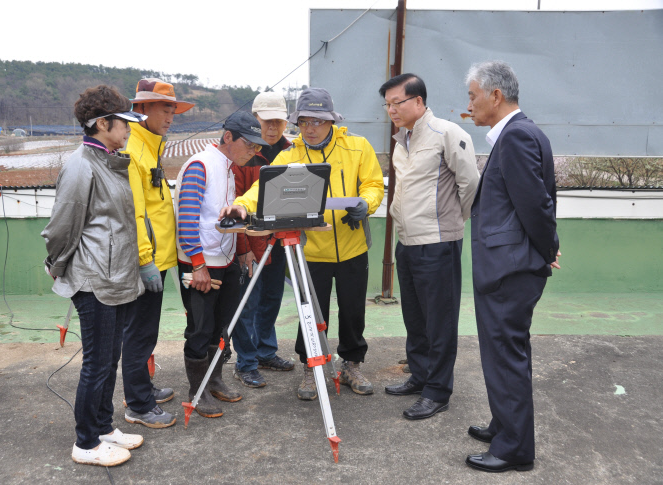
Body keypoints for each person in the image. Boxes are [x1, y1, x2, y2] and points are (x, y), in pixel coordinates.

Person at [220, 88, 385, 401]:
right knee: (310, 311)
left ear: (331, 121)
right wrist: (242, 205)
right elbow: (262, 188)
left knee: (352, 311)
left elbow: (374, 184)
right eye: (304, 121)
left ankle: (351, 364)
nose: (310, 128)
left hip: (353, 246)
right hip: (309, 250)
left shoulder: (358, 147)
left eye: (318, 121)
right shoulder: (290, 154)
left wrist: (367, 203)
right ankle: (312, 367)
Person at [42, 85, 147, 466]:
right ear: (102, 123)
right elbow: (62, 226)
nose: (130, 129)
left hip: (116, 276)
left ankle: (103, 426)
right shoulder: (81, 165)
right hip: (94, 280)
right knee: (97, 364)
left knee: (110, 358)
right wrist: (56, 265)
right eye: (125, 122)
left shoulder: (108, 161)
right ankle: (86, 443)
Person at [464, 61, 561, 473]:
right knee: (502, 353)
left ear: (495, 96)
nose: (469, 104)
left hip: (509, 269)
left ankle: (514, 448)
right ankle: (505, 425)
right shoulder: (521, 133)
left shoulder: (517, 136)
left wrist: (548, 248)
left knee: (506, 356)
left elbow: (536, 204)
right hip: (510, 265)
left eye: (473, 96)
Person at [379, 74, 479, 420]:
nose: (391, 109)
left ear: (418, 101)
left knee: (440, 321)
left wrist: (452, 221)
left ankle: (438, 392)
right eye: (388, 104)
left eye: (397, 103)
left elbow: (470, 184)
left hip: (438, 243)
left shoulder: (447, 134)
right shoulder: (402, 140)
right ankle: (420, 376)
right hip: (407, 243)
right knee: (416, 318)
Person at [175, 111, 269, 417]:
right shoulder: (200, 165)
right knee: (200, 329)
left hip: (224, 259)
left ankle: (213, 380)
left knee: (221, 327)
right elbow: (187, 221)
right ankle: (197, 392)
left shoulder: (229, 168)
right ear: (227, 137)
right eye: (250, 145)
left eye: (257, 147)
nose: (254, 152)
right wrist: (198, 265)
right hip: (202, 263)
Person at [121, 79, 194, 429]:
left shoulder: (150, 145)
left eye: (172, 110)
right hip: (146, 261)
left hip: (160, 258)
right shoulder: (133, 149)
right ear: (142, 108)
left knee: (146, 331)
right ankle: (137, 404)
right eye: (164, 108)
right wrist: (146, 260)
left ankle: (141, 388)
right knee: (139, 332)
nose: (170, 116)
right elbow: (134, 212)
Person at [231, 92, 295, 388]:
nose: (272, 127)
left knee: (271, 297)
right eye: (267, 121)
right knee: (247, 303)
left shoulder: (293, 151)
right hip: (251, 242)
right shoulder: (244, 155)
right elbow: (236, 204)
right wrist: (243, 248)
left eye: (278, 121)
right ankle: (246, 362)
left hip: (281, 239)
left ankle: (265, 351)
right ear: (255, 119)